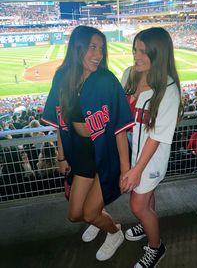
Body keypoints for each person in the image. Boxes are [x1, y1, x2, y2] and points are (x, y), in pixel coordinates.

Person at [42, 26, 134, 261]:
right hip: (80, 153)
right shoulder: (62, 77)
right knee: (75, 215)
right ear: (77, 47)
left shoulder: (106, 80)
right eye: (92, 47)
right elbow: (60, 123)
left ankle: (114, 232)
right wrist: (61, 156)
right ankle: (98, 219)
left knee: (89, 212)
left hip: (107, 152)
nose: (99, 54)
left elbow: (120, 130)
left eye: (101, 48)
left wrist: (126, 170)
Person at [121, 27, 182, 268]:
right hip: (131, 152)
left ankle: (156, 247)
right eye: (135, 50)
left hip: (150, 158)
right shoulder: (128, 74)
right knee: (146, 201)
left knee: (137, 204)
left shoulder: (168, 89)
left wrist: (136, 170)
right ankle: (148, 222)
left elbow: (156, 137)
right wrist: (126, 163)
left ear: (159, 54)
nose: (137, 56)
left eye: (144, 52)